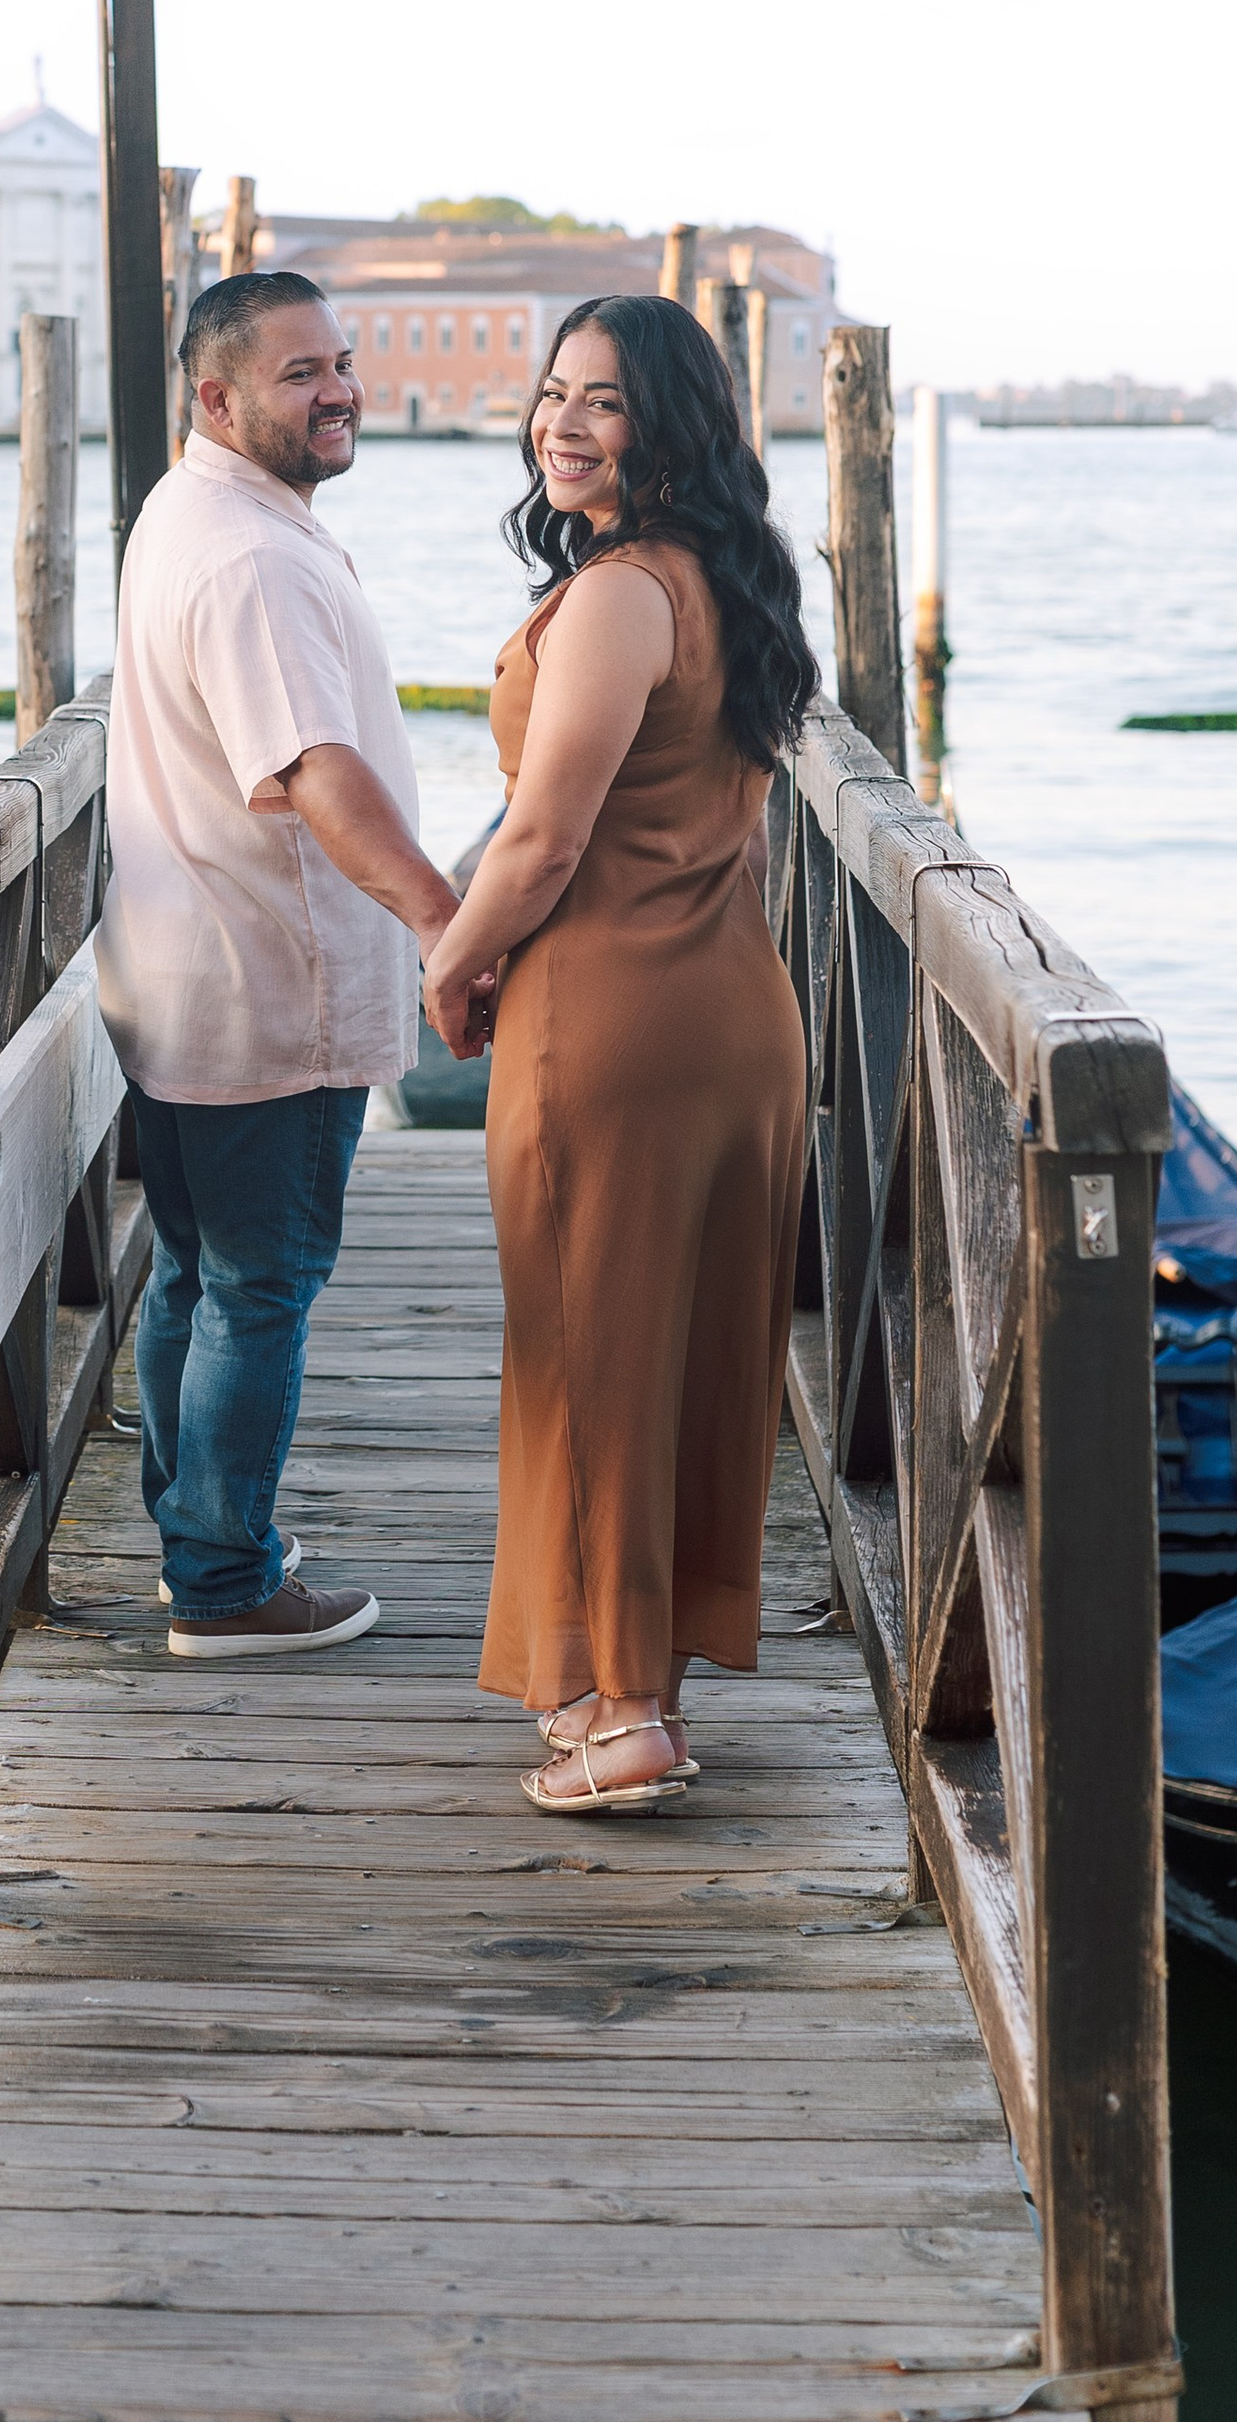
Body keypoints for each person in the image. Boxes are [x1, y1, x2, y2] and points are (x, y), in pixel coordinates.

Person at [424, 293, 815, 1811]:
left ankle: (622, 1711)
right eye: (553, 392)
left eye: (605, 401)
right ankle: (621, 1677)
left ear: (671, 427)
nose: (563, 423)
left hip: (611, 1017)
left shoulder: (616, 598)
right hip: (733, 1012)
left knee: (585, 1360)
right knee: (686, 1353)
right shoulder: (732, 580)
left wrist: (450, 969)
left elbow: (539, 841)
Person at [97, 269, 459, 1660]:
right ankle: (229, 1586)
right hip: (266, 985)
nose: (340, 390)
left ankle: (200, 1533)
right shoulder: (250, 556)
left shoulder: (191, 510)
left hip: (184, 979)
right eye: (301, 372)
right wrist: (444, 922)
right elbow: (311, 769)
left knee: (197, 1273)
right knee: (259, 1284)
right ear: (218, 396)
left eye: (343, 363)